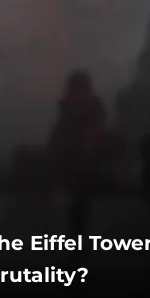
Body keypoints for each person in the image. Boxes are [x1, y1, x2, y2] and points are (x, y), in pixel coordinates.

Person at [48, 69, 106, 235]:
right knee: (81, 197)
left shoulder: (68, 104)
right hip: (83, 155)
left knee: (79, 197)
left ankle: (76, 233)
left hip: (76, 155)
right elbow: (98, 125)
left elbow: (59, 132)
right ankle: (78, 233)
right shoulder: (91, 105)